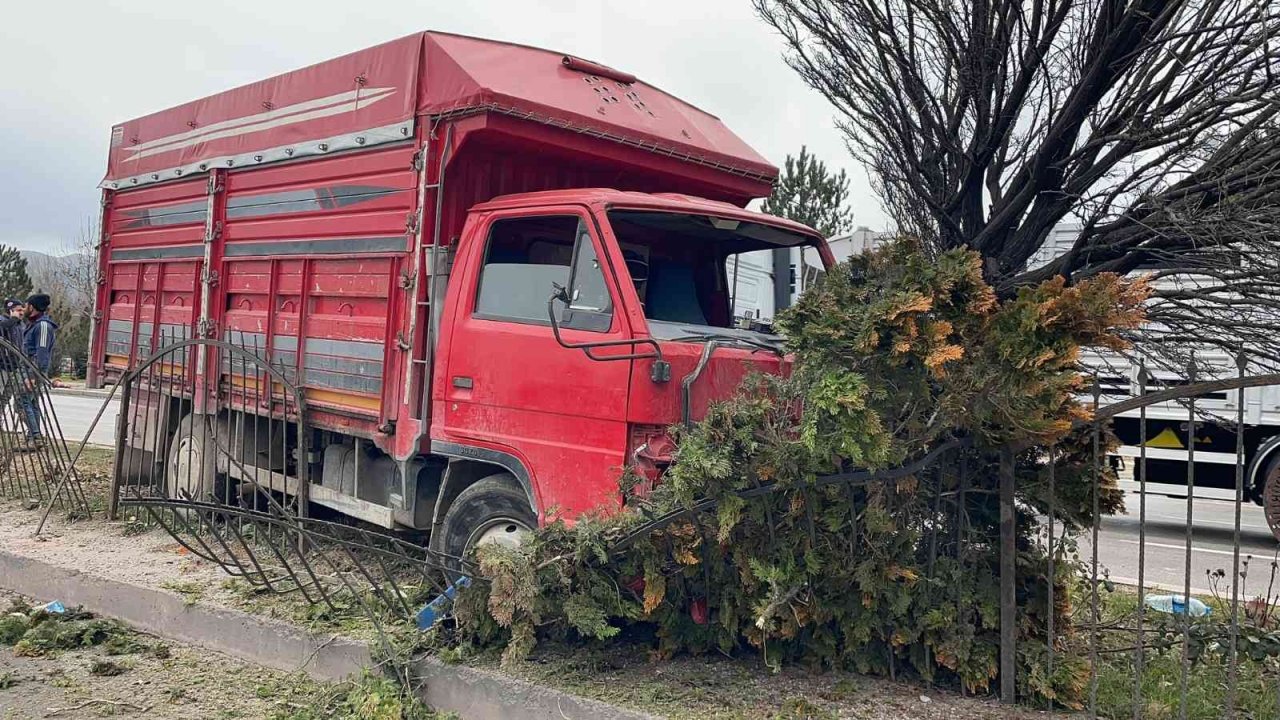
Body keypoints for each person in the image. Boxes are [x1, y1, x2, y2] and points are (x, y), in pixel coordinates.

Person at [18, 294, 57, 447]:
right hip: (29, 370)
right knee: (31, 403)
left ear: (32, 307)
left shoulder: (42, 326)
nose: (24, 308)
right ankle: (33, 437)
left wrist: (34, 375)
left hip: (33, 371)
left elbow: (41, 353)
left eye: (26, 305)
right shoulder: (34, 324)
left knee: (22, 402)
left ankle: (35, 436)